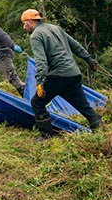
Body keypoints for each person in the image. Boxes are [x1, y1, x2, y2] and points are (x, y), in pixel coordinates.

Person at [21, 8, 102, 140]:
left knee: (37, 102)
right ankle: (100, 130)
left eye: (24, 23)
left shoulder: (36, 35)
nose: (24, 27)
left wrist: (40, 82)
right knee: (84, 106)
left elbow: (41, 62)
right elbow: (75, 46)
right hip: (74, 74)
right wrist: (89, 60)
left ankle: (46, 136)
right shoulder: (56, 28)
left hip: (58, 76)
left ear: (30, 21)